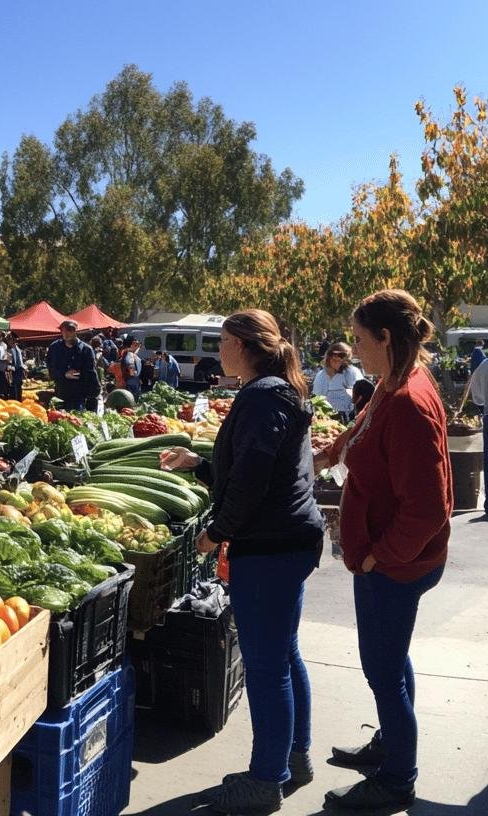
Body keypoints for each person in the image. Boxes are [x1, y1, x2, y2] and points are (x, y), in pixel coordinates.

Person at [160, 310, 324, 814]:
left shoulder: (262, 395)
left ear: (241, 344)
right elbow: (256, 467)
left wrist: (216, 532)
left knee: (266, 665)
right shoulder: (274, 391)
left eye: (223, 341)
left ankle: (265, 779)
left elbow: (253, 480)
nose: (218, 351)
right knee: (284, 653)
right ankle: (292, 758)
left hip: (270, 545)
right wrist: (202, 464)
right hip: (288, 539)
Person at [314, 290, 451, 812]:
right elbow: (368, 418)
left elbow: (430, 507)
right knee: (391, 662)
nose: (352, 348)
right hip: (388, 559)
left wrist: (378, 557)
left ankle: (397, 778)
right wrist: (337, 449)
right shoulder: (397, 381)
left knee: (382, 668)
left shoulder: (412, 401)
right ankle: (391, 745)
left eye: (357, 338)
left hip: (395, 565)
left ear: (385, 338)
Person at [47, 320, 99, 410]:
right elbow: (51, 369)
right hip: (61, 393)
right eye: (63, 331)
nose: (66, 333)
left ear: (75, 331)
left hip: (79, 395)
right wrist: (64, 374)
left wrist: (94, 393)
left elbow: (90, 373)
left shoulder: (86, 350)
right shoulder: (55, 348)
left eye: (69, 330)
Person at [312, 342, 363, 422]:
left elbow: (360, 395)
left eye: (341, 356)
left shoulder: (353, 372)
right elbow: (317, 398)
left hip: (351, 416)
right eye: (333, 356)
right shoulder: (321, 375)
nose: (336, 359)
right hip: (327, 418)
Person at [4, 332, 26, 401]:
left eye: (14, 339)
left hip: (19, 371)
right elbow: (7, 363)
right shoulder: (7, 349)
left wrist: (23, 368)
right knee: (13, 390)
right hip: (13, 372)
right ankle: (15, 402)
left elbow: (19, 361)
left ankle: (18, 401)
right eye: (11, 339)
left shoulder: (17, 348)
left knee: (18, 388)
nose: (13, 341)